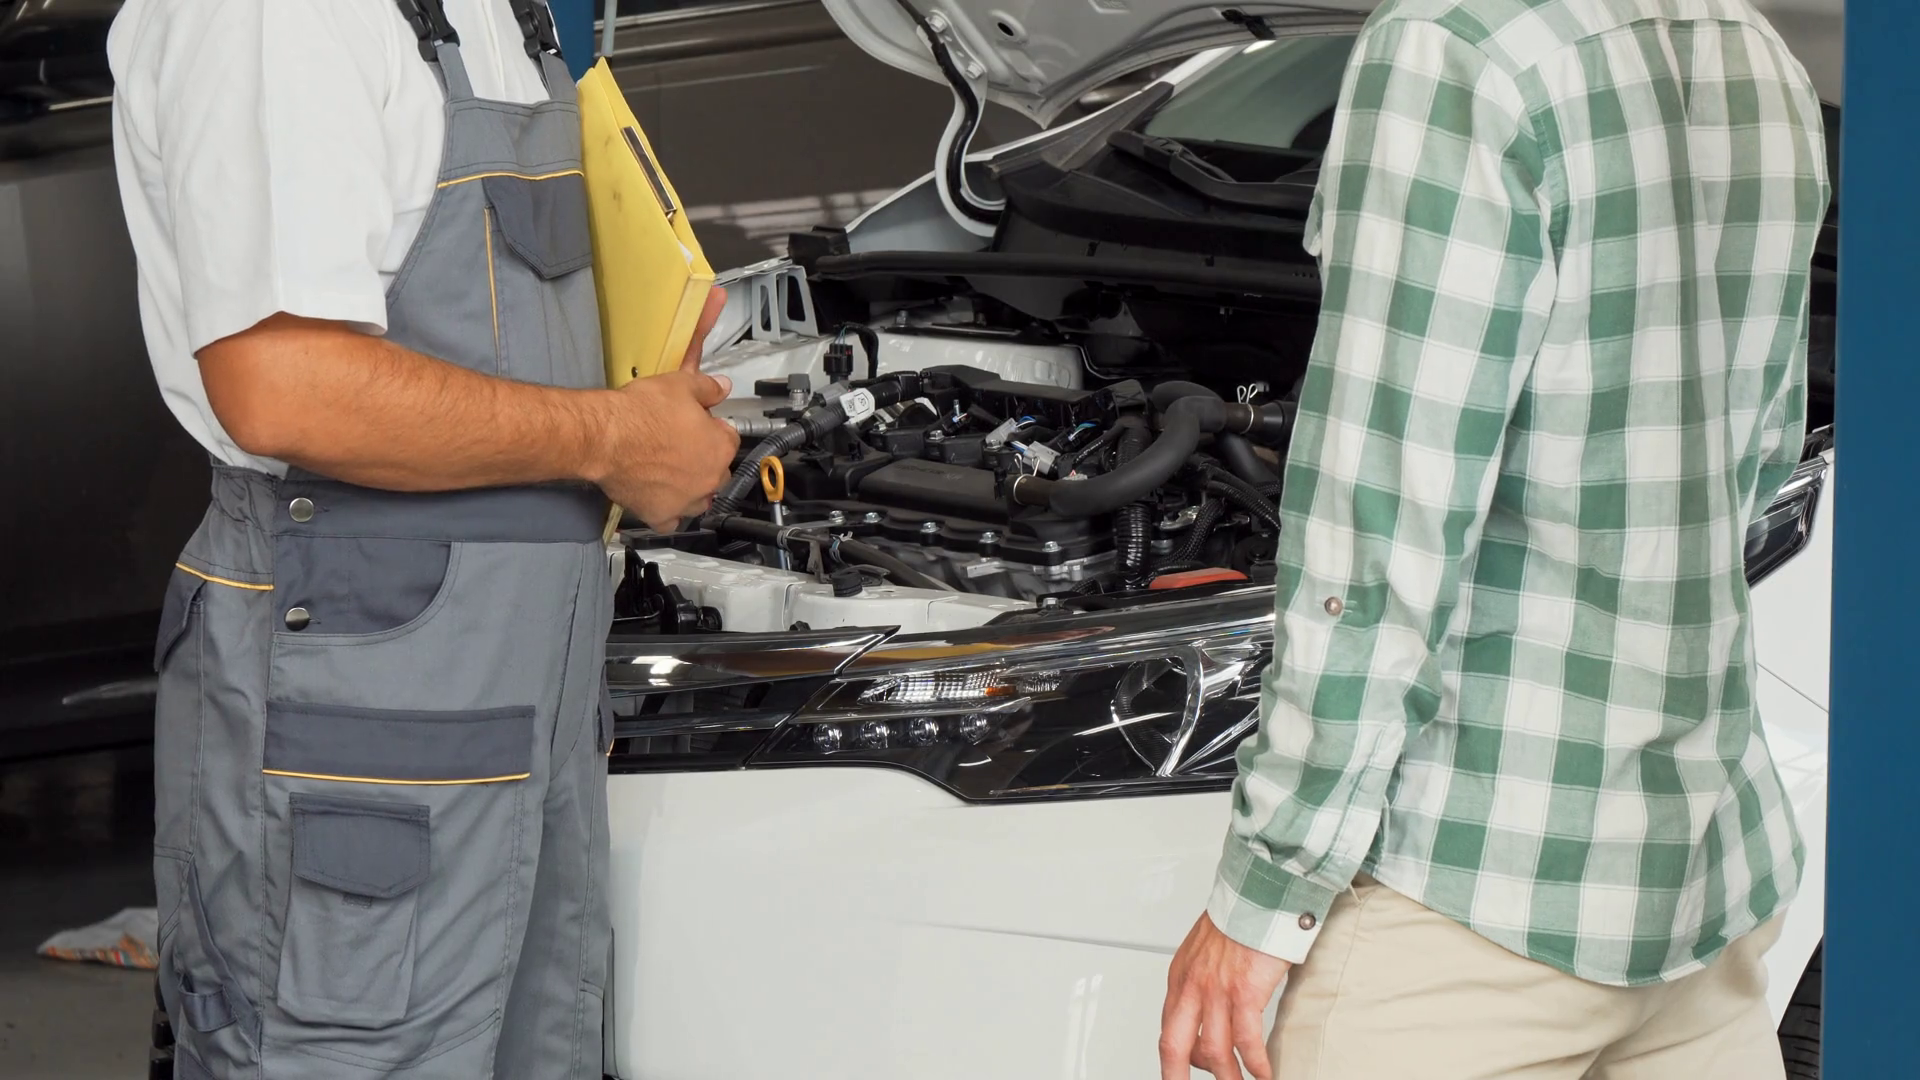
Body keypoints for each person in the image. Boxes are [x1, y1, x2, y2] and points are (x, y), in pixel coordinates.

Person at [1159, 0, 1830, 1077]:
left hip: (1464, 914)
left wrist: (1267, 890)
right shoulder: (1758, 55)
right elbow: (1757, 458)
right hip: (1699, 888)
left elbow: (1381, 534)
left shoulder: (1453, 44)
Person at [108, 0, 738, 1075]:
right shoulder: (278, 19)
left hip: (520, 709)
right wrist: (611, 438)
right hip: (352, 713)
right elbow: (283, 385)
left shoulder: (500, 15)